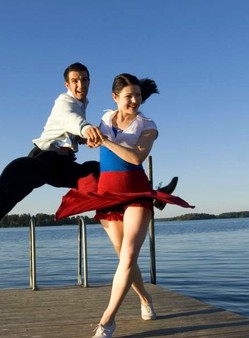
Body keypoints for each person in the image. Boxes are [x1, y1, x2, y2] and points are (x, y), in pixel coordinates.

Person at [55, 73, 194, 338]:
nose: (134, 101)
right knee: (124, 259)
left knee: (129, 255)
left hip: (136, 192)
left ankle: (107, 322)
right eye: (129, 96)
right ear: (115, 98)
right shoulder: (106, 118)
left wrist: (105, 140)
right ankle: (145, 299)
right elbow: (90, 139)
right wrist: (82, 138)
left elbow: (134, 157)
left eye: (138, 96)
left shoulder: (147, 125)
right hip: (108, 194)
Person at [0, 62, 105, 246]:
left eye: (84, 80)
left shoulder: (82, 104)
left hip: (63, 164)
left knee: (95, 169)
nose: (80, 85)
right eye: (75, 81)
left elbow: (68, 130)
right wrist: (86, 128)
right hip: (45, 157)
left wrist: (82, 139)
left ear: (90, 81)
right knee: (18, 171)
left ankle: (144, 195)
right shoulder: (64, 101)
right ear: (67, 85)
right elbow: (69, 120)